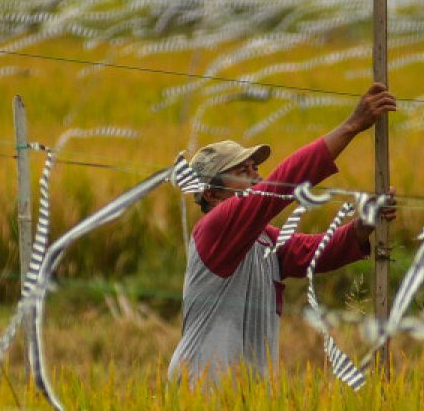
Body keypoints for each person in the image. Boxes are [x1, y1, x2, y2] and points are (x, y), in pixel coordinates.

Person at [167, 82, 397, 385]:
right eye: (243, 170)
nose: (257, 175)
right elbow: (280, 184)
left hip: (248, 393)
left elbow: (317, 251)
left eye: (255, 168)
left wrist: (363, 225)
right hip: (202, 388)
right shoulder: (214, 230)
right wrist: (352, 126)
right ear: (211, 193)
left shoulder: (265, 240)